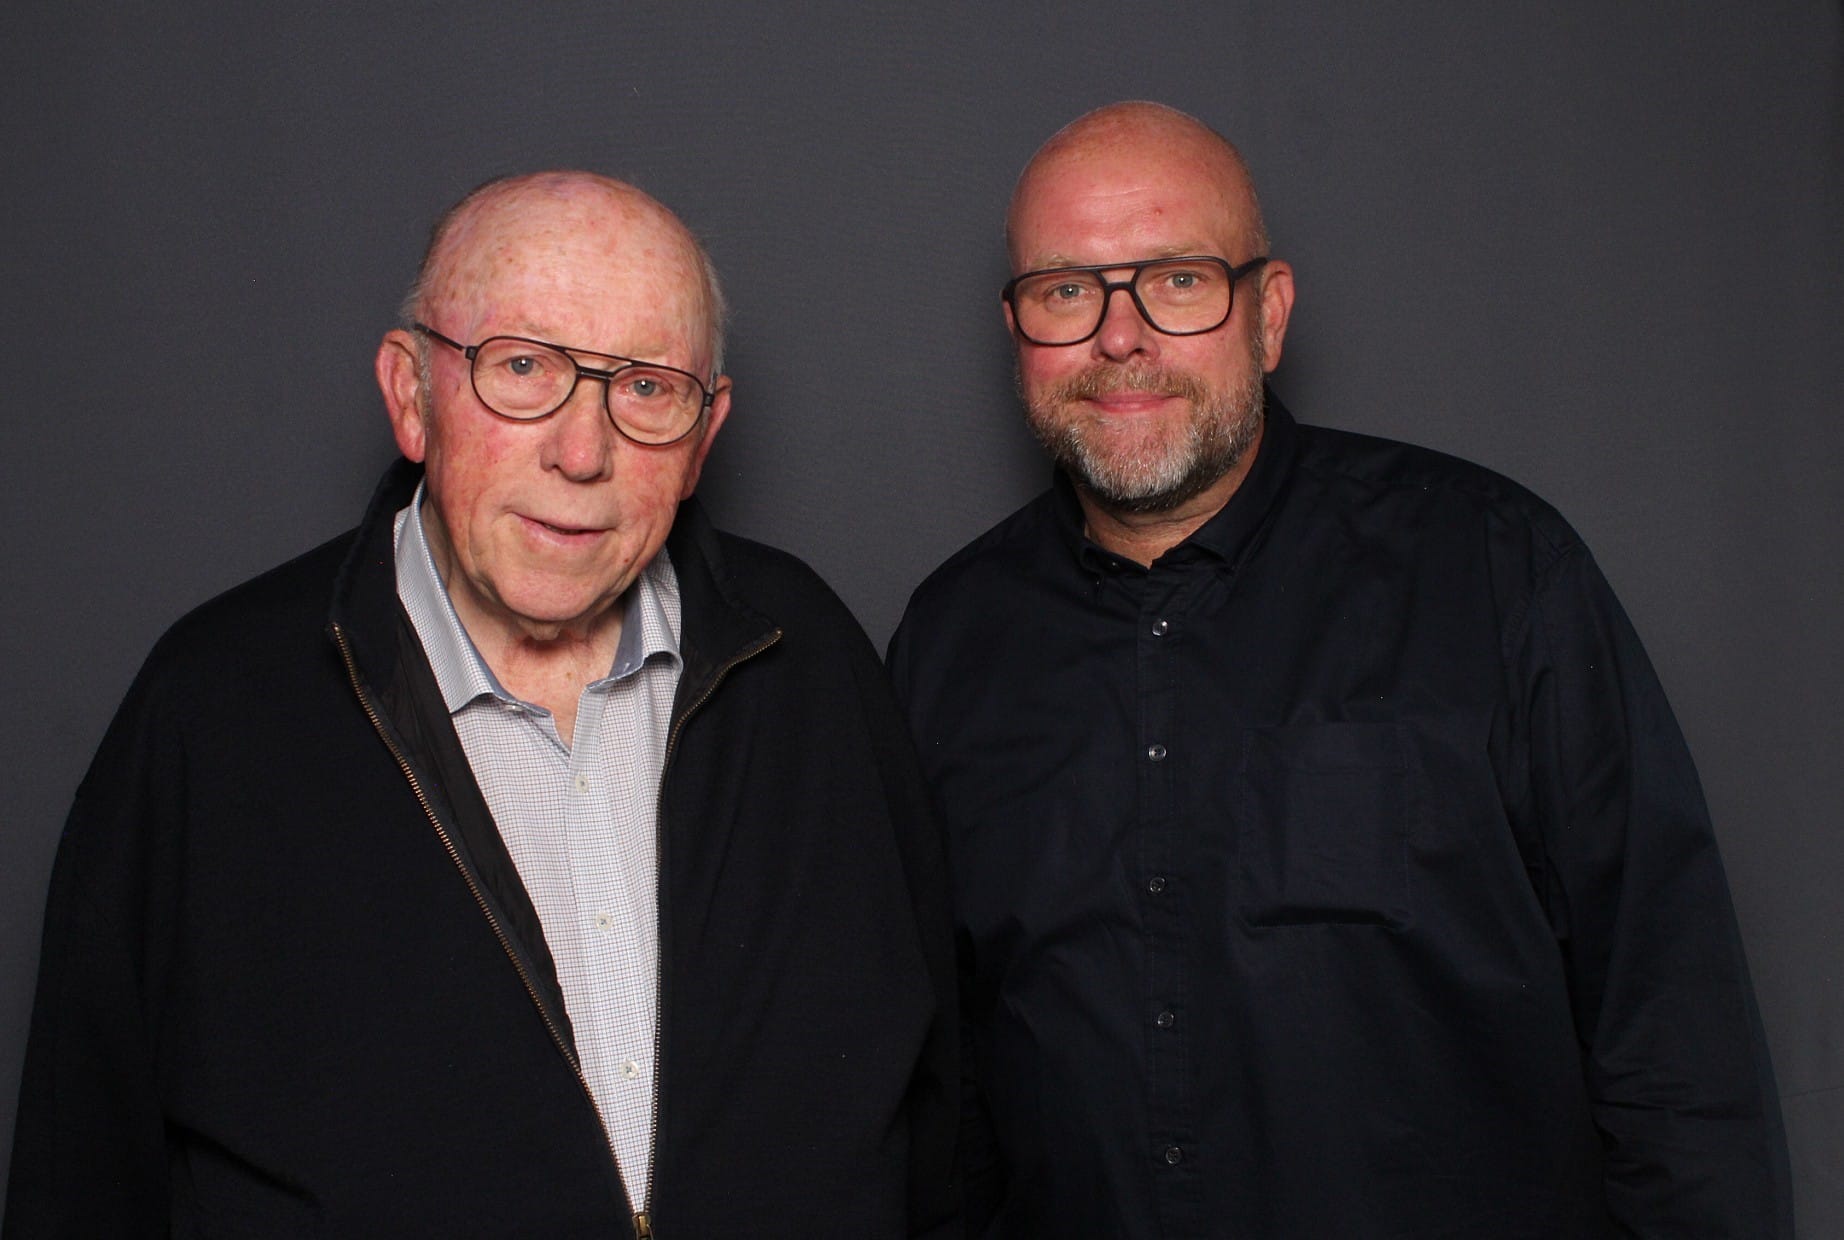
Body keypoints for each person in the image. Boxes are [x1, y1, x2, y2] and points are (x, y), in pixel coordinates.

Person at [887, 102, 1790, 1238]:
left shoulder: (1496, 574)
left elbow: (1674, 1041)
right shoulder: (948, 642)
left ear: (1266, 315)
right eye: (1066, 290)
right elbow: (948, 1098)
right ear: (1016, 329)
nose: (1118, 337)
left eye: (1175, 280)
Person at [8, 171, 957, 1238]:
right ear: (410, 393)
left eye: (644, 387)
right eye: (522, 367)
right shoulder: (209, 712)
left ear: (703, 435)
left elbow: (941, 1127)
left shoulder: (812, 661)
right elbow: (79, 1172)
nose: (582, 451)